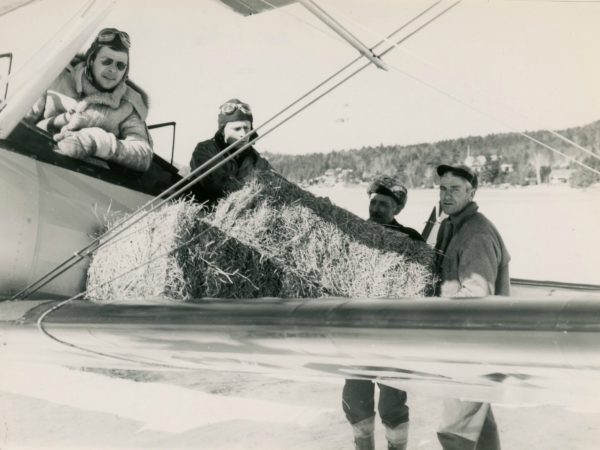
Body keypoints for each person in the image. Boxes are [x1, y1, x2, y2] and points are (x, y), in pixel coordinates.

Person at [342, 175, 423, 450]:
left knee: (392, 403)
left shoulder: (410, 239)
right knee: (355, 399)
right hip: (357, 333)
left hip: (393, 336)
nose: (375, 208)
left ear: (397, 209)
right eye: (373, 202)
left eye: (384, 204)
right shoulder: (354, 232)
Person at [434, 164, 510, 450]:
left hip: (470, 342)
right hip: (461, 340)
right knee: (477, 419)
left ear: (472, 192)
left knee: (459, 426)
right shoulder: (452, 226)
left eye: (455, 189)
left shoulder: (476, 234)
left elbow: (477, 299)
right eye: (442, 188)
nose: (446, 195)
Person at [25, 28, 153, 172]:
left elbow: (143, 153)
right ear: (91, 60)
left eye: (120, 65)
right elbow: (22, 118)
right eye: (107, 61)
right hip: (33, 161)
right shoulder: (57, 76)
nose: (113, 70)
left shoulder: (129, 105)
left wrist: (97, 142)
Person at [189, 98, 271, 204]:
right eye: (237, 129)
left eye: (246, 128)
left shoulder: (254, 158)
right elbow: (217, 185)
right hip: (203, 213)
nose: (243, 134)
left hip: (242, 216)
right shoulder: (205, 150)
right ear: (223, 131)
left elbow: (276, 180)